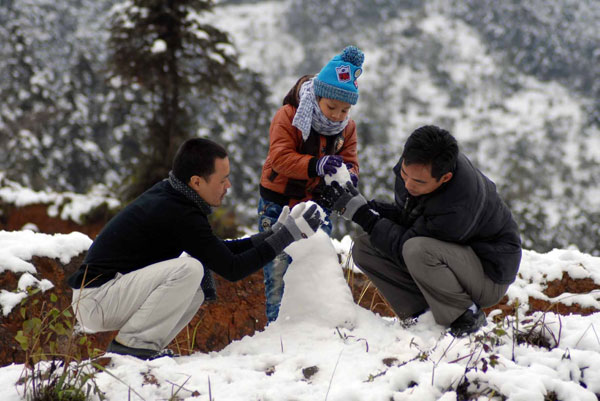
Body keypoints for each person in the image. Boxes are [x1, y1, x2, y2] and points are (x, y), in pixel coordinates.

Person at [67, 138, 325, 359]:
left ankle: (146, 348)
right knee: (190, 269)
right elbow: (232, 269)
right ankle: (134, 347)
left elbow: (219, 251)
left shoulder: (176, 197)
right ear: (197, 182)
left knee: (195, 288)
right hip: (96, 299)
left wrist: (273, 235)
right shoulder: (179, 212)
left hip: (105, 295)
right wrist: (286, 236)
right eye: (222, 180)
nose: (228, 187)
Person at [322, 125, 522, 336]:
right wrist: (368, 207)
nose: (408, 184)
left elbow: (407, 247)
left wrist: (365, 216)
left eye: (418, 181)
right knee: (365, 247)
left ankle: (465, 315)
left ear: (444, 178)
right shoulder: (418, 169)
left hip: (487, 274)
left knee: (416, 250)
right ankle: (421, 316)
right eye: (404, 174)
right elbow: (411, 218)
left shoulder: (458, 205)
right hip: (450, 258)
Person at [258, 45, 364, 322]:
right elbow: (279, 158)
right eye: (331, 107)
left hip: (316, 203)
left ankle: (314, 326)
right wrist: (314, 165)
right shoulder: (289, 116)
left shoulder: (347, 129)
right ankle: (277, 325)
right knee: (278, 268)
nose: (337, 115)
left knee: (317, 263)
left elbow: (351, 160)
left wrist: (348, 175)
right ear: (317, 97)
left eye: (345, 109)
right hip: (278, 203)